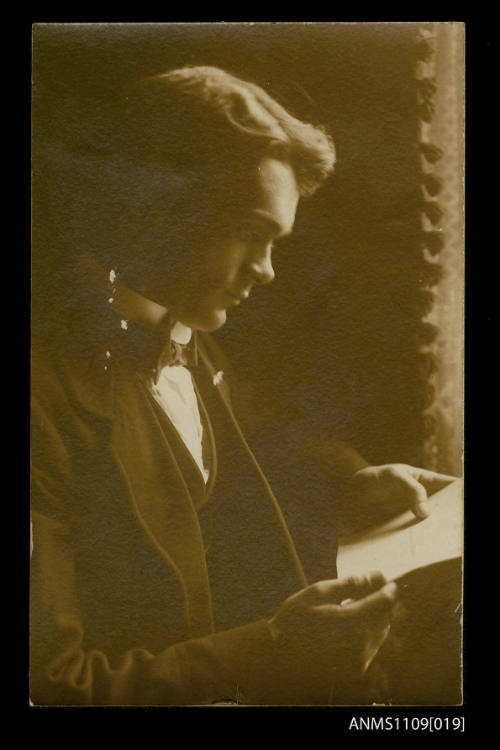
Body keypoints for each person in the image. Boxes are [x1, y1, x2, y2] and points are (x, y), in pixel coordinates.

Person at [31, 65, 455, 705]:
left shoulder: (190, 336)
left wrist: (348, 484)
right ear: (156, 213)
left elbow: (267, 439)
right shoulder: (45, 400)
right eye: (251, 235)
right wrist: (276, 653)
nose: (267, 271)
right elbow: (52, 687)